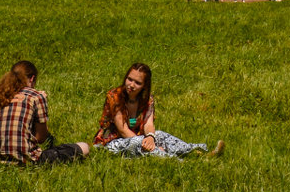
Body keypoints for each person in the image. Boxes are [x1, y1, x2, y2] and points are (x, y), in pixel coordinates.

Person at [93, 63, 222, 159]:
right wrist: (149, 145)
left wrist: (150, 137)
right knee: (139, 143)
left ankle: (197, 152)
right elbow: (122, 130)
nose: (131, 85)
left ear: (144, 86)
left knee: (159, 134)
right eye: (129, 79)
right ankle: (176, 160)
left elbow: (149, 124)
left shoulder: (147, 99)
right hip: (113, 142)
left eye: (137, 83)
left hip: (137, 137)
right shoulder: (114, 96)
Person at [0, 60, 89, 165]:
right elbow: (41, 138)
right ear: (32, 79)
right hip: (27, 160)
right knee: (84, 147)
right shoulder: (35, 96)